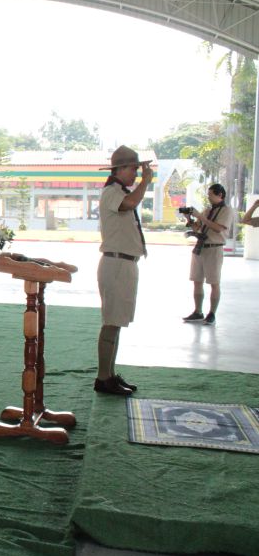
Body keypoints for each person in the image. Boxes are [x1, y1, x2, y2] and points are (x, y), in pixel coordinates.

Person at [95, 145, 151, 396]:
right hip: (116, 264)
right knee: (111, 323)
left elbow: (129, 201)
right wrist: (146, 182)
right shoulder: (111, 192)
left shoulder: (118, 191)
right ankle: (103, 378)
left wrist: (142, 182)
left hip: (124, 263)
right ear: (119, 169)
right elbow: (129, 203)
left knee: (116, 323)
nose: (136, 174)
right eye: (133, 169)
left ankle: (109, 375)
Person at [181, 183, 232, 325]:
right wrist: (189, 218)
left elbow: (218, 228)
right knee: (197, 280)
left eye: (211, 194)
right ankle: (198, 311)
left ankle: (212, 313)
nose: (208, 197)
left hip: (214, 248)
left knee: (214, 282)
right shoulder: (207, 210)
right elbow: (197, 228)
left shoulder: (226, 210)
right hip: (200, 247)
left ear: (220, 195)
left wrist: (200, 216)